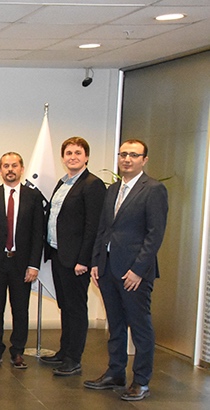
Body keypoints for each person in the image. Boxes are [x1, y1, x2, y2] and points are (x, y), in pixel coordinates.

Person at [84, 139, 168, 401]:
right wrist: (96, 262)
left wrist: (138, 270)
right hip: (108, 268)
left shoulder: (153, 189)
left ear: (144, 160)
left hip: (134, 272)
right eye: (123, 154)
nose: (127, 159)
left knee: (140, 327)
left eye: (133, 155)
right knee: (116, 324)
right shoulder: (113, 189)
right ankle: (115, 373)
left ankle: (141, 381)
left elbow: (154, 235)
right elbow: (103, 229)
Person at [41, 137, 106, 376]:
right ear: (63, 157)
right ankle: (64, 351)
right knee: (65, 306)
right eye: (68, 153)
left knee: (76, 308)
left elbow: (93, 226)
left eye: (78, 153)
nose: (73, 157)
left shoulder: (92, 184)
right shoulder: (63, 182)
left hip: (76, 260)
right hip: (59, 254)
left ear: (86, 157)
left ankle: (73, 359)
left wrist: (84, 260)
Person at [0, 152, 44, 369]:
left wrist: (34, 265)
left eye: (14, 165)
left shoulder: (33, 197)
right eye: (6, 166)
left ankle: (18, 352)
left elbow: (38, 234)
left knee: (20, 309)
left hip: (22, 264)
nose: (10, 169)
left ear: (21, 169)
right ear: (0, 170)